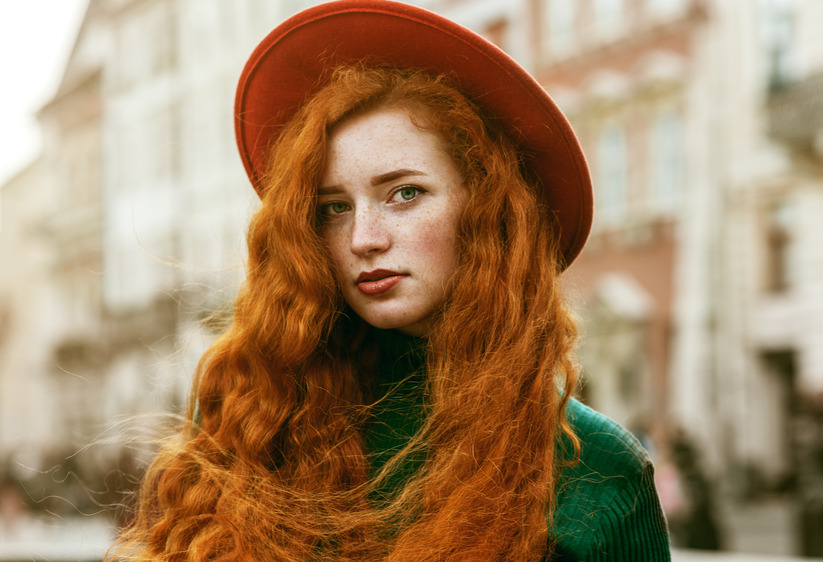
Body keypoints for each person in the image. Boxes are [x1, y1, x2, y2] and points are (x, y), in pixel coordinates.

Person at [108, 1, 671, 560]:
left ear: (488, 209)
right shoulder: (255, 414)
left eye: (404, 194)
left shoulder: (598, 469)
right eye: (333, 207)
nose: (363, 238)